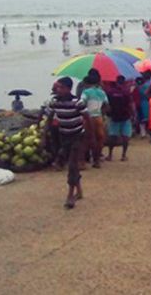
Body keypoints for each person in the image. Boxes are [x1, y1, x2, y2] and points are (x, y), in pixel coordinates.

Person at [45, 77, 91, 209]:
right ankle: (79, 190)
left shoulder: (77, 102)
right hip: (63, 136)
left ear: (68, 89)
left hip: (77, 135)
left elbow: (87, 118)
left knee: (71, 164)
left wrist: (88, 136)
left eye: (60, 87)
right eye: (57, 87)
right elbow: (49, 118)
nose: (57, 90)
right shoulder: (54, 102)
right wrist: (44, 135)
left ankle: (70, 195)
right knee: (68, 163)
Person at [80, 75, 108, 168]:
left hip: (88, 117)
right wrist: (102, 114)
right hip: (99, 117)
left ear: (87, 83)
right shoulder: (102, 92)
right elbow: (106, 105)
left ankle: (83, 162)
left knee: (86, 139)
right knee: (99, 139)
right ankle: (96, 161)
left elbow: (81, 103)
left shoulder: (86, 92)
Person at [105, 76, 133, 161]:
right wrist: (132, 114)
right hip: (125, 116)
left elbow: (107, 105)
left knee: (112, 136)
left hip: (114, 116)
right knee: (125, 136)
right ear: (124, 82)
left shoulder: (110, 92)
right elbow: (130, 104)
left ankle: (110, 155)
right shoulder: (126, 92)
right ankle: (123, 155)